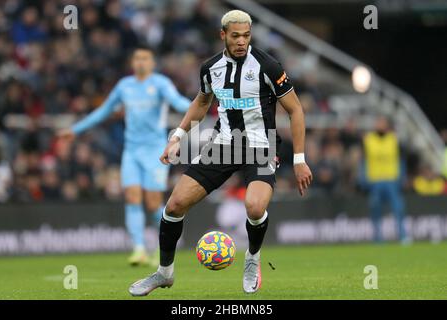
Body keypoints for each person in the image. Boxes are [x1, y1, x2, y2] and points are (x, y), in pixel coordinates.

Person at [129, 10, 312, 296]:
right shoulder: (210, 68)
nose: (241, 42)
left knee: (254, 207)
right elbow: (201, 104)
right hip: (224, 145)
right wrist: (177, 137)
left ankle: (252, 258)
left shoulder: (268, 65)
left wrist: (300, 160)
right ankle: (164, 273)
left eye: (246, 36)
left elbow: (295, 109)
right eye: (236, 36)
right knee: (175, 205)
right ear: (223, 35)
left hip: (261, 146)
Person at [57, 45, 190, 266]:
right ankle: (139, 249)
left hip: (155, 150)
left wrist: (202, 106)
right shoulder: (125, 86)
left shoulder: (160, 84)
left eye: (145, 59)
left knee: (153, 202)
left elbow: (178, 102)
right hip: (131, 151)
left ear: (152, 63)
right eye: (137, 58)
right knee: (131, 197)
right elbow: (103, 111)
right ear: (132, 63)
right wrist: (75, 129)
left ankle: (163, 247)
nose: (141, 62)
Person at [362, 116, 409, 243]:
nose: (379, 125)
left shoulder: (394, 139)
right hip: (375, 180)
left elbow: (401, 159)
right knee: (375, 209)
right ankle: (377, 237)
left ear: (387, 125)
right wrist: (363, 179)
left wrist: (403, 176)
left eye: (382, 123)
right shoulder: (368, 139)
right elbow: (364, 160)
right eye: (378, 122)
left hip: (391, 180)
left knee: (398, 208)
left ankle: (403, 235)